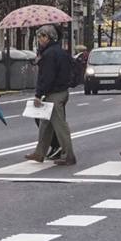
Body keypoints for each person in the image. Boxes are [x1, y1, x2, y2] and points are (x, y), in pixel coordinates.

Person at [24, 25, 75, 167]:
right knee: (45, 125)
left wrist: (38, 94)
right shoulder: (60, 52)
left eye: (41, 36)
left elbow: (47, 77)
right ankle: (39, 153)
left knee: (60, 126)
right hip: (61, 91)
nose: (39, 39)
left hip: (54, 93)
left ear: (47, 37)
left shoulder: (49, 54)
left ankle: (69, 156)